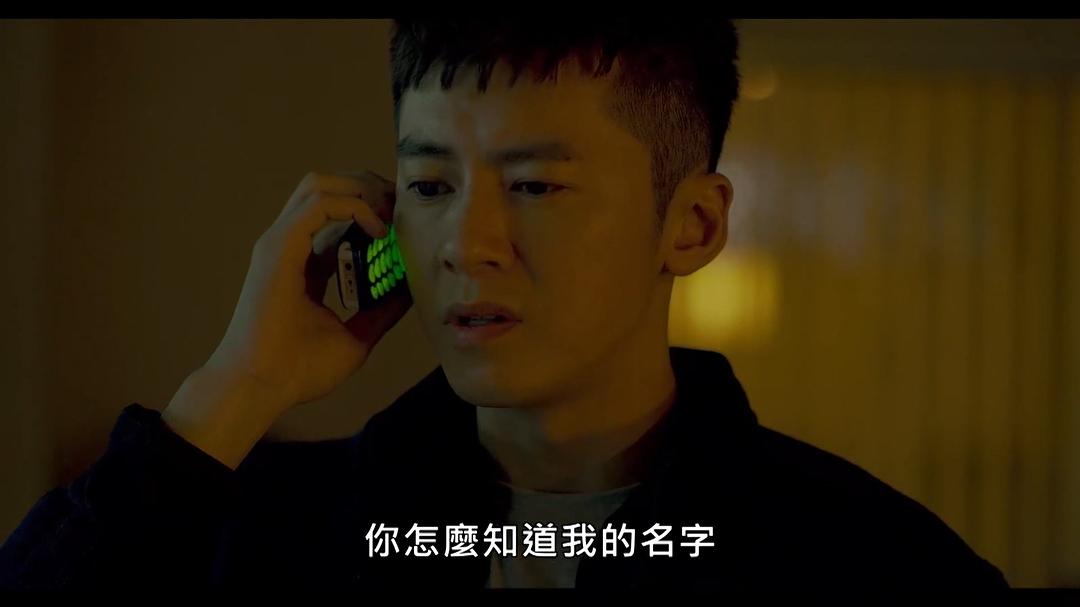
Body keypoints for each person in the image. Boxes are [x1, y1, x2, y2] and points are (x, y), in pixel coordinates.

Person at [0, 18, 1008, 590]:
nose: (464, 244)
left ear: (692, 225)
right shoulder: (271, 531)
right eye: (430, 186)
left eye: (533, 185)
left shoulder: (865, 562)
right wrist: (238, 386)